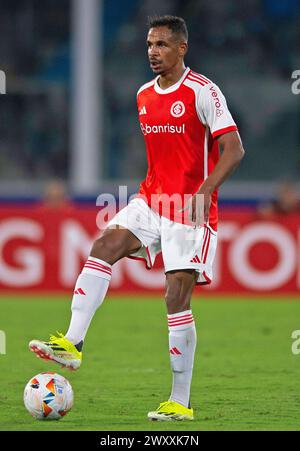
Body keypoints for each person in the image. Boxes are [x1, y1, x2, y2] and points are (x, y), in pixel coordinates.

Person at [29, 15, 245, 422]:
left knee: (175, 298)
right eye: (149, 44)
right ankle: (72, 344)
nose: (153, 52)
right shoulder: (144, 95)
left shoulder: (203, 91)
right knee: (103, 245)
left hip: (190, 210)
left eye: (162, 45)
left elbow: (234, 149)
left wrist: (204, 192)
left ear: (182, 48)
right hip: (151, 200)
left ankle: (180, 401)